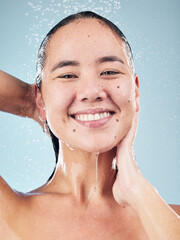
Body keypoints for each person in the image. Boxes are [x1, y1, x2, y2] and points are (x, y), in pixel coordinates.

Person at [0, 11, 179, 240]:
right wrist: (31, 104)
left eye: (109, 72)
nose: (92, 92)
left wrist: (135, 187)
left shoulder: (169, 220)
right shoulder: (7, 212)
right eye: (67, 75)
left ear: (135, 91)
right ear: (41, 98)